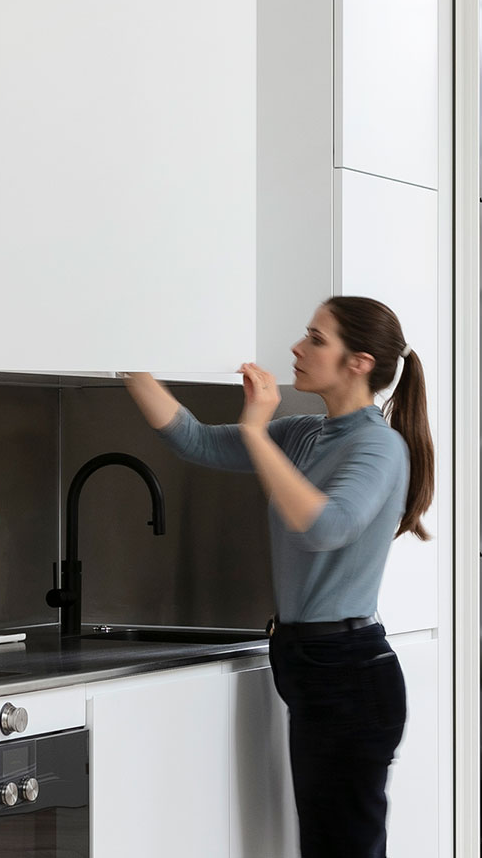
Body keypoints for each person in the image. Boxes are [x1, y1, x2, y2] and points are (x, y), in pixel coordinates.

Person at [124, 296, 434, 858]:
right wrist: (122, 360)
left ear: (358, 362)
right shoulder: (306, 434)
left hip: (349, 674)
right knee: (327, 845)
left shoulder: (379, 446)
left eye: (317, 338)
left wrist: (256, 432)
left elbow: (323, 525)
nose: (297, 346)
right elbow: (191, 438)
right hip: (312, 667)